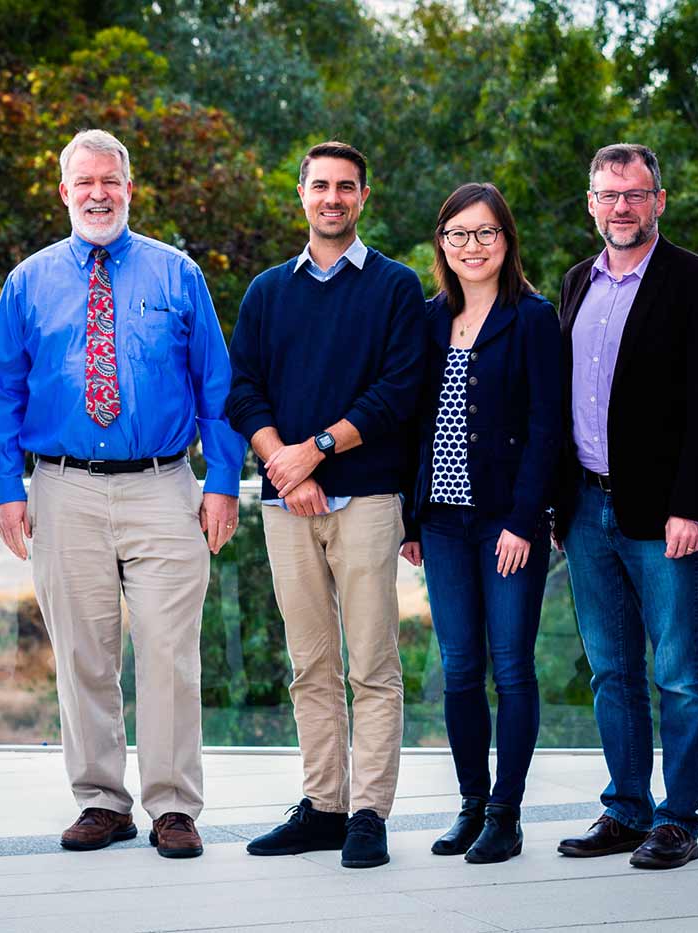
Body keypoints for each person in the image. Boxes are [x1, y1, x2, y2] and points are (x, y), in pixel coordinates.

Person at [0, 129, 243, 860]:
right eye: (85, 182)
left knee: (168, 653)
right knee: (85, 657)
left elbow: (217, 390)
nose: (98, 194)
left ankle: (172, 807)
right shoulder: (28, 282)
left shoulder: (178, 274)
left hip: (164, 486)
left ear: (130, 189)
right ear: (63, 192)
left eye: (111, 181)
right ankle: (100, 800)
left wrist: (222, 481)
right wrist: (7, 488)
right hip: (62, 489)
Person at [227, 141, 425, 869]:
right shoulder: (268, 291)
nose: (332, 198)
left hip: (367, 499)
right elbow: (242, 388)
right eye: (320, 186)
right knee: (310, 665)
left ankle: (369, 811)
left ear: (363, 197)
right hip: (288, 507)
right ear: (301, 194)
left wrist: (315, 449)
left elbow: (399, 389)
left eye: (346, 186)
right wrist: (287, 464)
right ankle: (323, 805)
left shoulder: (396, 288)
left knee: (371, 664)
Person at [553, 143, 698, 869]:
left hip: (666, 517)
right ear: (592, 203)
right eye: (608, 194)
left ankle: (677, 820)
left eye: (635, 193)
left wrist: (692, 503)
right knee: (611, 671)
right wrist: (555, 508)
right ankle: (626, 809)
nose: (621, 206)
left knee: (680, 673)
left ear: (659, 200)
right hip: (585, 510)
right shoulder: (576, 283)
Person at [399, 183, 562, 864]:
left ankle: (507, 812)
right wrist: (411, 517)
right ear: (442, 243)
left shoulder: (533, 317)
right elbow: (413, 422)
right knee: (460, 670)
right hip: (441, 523)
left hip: (506, 524)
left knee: (511, 668)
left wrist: (527, 520)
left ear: (507, 240)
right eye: (459, 234)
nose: (472, 246)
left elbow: (547, 426)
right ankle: (471, 802)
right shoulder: (429, 318)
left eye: (485, 233)